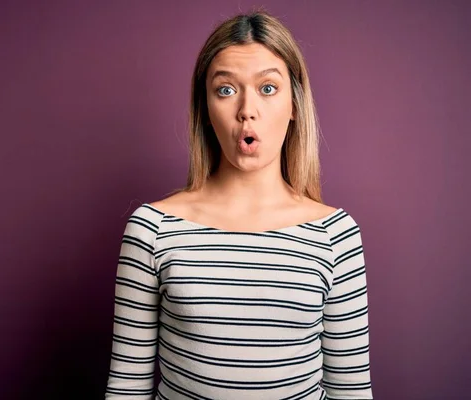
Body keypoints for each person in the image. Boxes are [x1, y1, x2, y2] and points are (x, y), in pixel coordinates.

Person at [105, 10, 373, 400]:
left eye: (268, 88)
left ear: (294, 105)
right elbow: (127, 389)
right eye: (226, 90)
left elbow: (351, 393)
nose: (247, 109)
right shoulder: (153, 229)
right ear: (207, 112)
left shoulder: (336, 236)